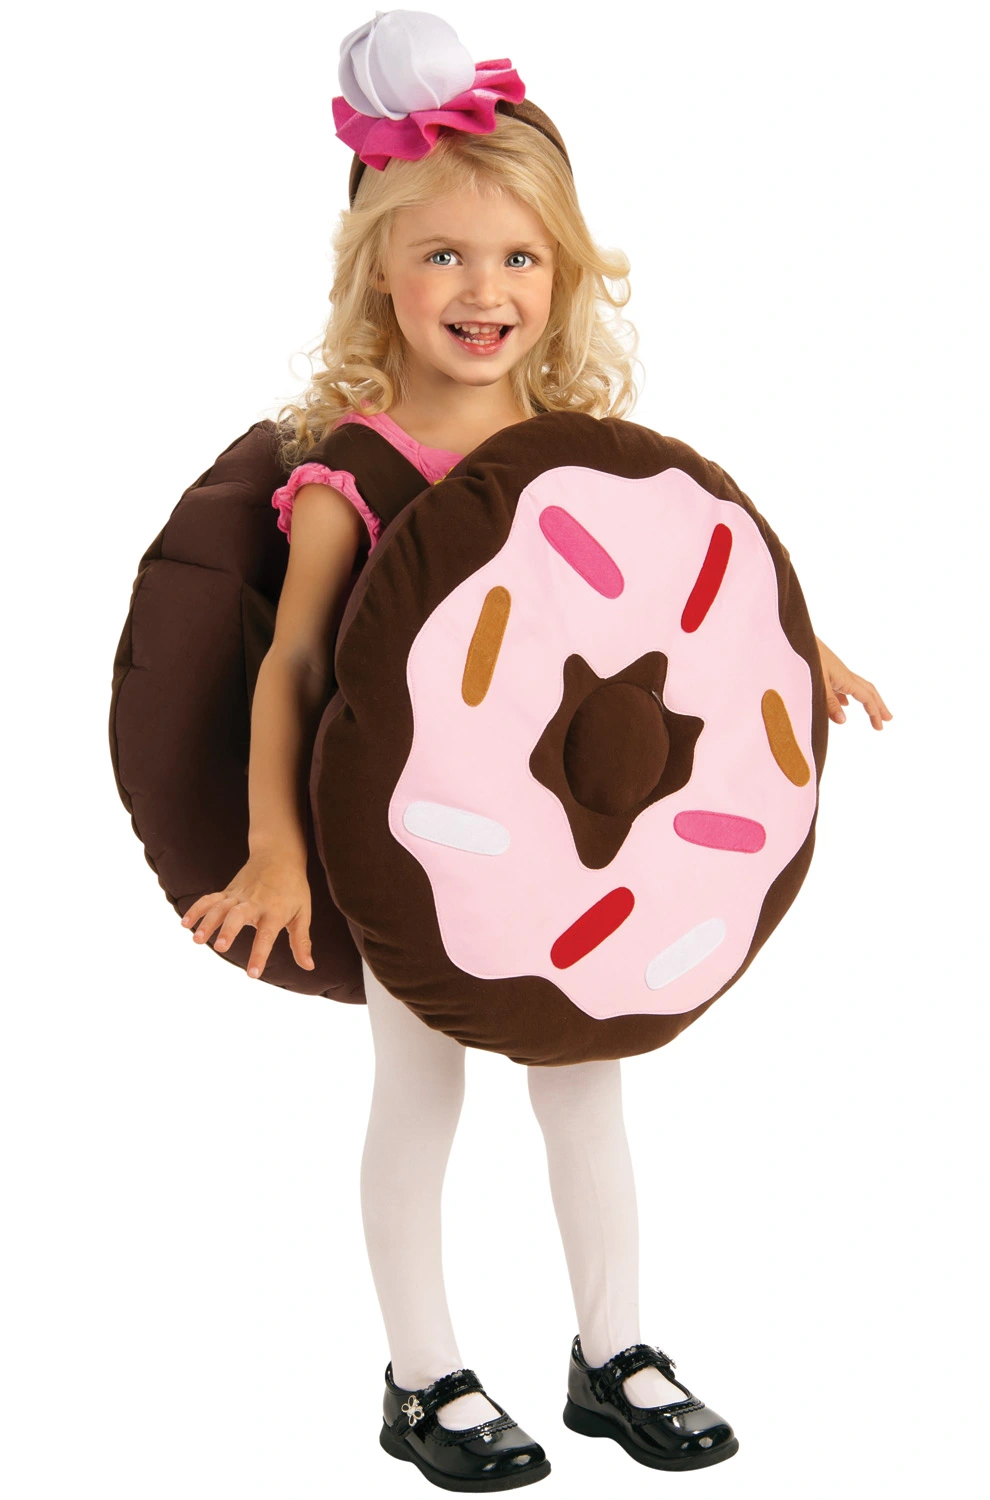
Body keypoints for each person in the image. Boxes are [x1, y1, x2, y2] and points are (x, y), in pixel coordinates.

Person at [177, 10, 893, 1489]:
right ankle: (423, 1376)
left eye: (517, 256)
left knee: (587, 1082)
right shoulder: (357, 470)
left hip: (575, 853)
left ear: (561, 271)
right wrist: (274, 849)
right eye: (443, 253)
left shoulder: (569, 450)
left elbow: (666, 608)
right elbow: (295, 666)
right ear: (377, 270)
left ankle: (612, 1355)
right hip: (419, 847)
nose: (484, 288)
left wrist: (791, 650)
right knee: (421, 1090)